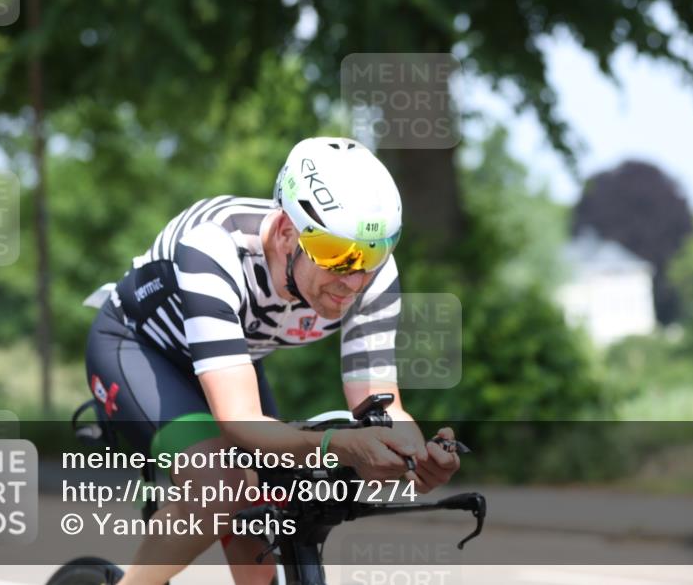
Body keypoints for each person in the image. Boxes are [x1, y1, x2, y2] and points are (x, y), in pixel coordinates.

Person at [85, 137, 461, 585]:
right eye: (337, 254)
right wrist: (335, 444)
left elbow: (379, 405)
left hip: (233, 359)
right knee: (221, 486)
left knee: (275, 502)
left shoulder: (372, 276)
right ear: (286, 232)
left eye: (373, 254)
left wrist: (415, 455)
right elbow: (239, 419)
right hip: (140, 349)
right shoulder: (214, 245)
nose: (355, 279)